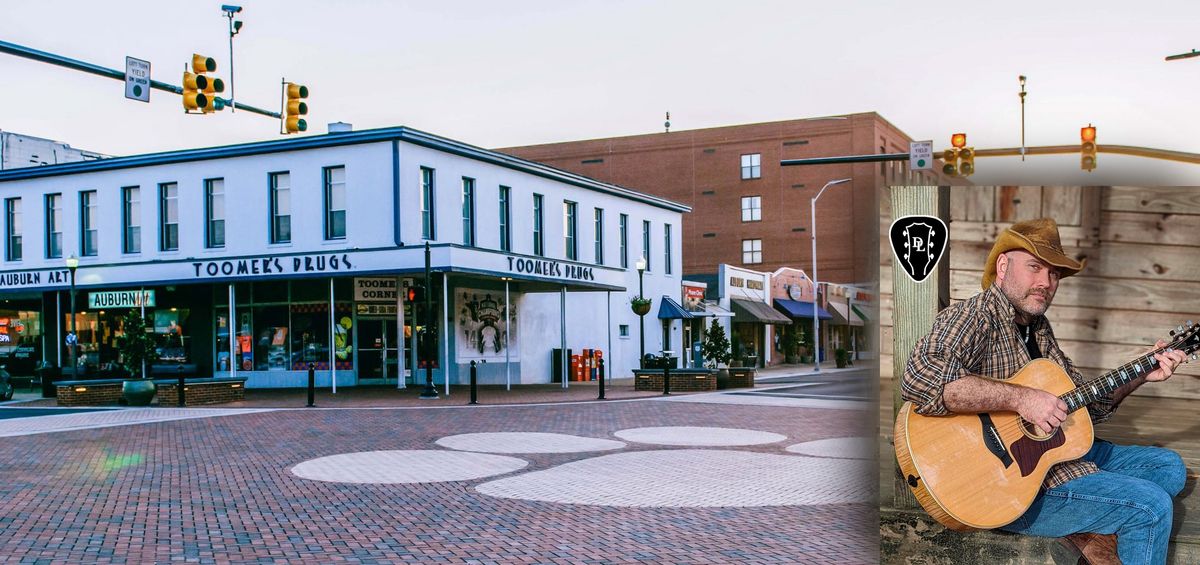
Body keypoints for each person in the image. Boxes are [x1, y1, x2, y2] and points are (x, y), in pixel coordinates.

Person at [901, 218, 1187, 565]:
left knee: (1169, 467)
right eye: (1035, 267)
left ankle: (1090, 529)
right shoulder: (974, 317)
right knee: (1150, 506)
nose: (1045, 282)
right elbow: (920, 379)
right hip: (1009, 486)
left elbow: (1086, 405)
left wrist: (1142, 372)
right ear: (1003, 266)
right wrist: (1022, 398)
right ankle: (1098, 523)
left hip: (1057, 458)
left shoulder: (1038, 329)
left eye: (1053, 274)